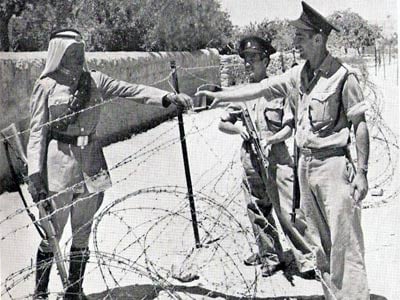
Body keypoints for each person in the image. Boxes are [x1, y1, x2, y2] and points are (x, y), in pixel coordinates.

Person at [197, 2, 370, 299]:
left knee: (345, 243)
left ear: (318, 38)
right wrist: (220, 96)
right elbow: (261, 89)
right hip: (305, 168)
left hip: (333, 168)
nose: (296, 44)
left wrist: (362, 173)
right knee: (321, 244)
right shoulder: (298, 75)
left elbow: (360, 124)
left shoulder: (343, 76)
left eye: (301, 38)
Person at [27, 28, 192, 300]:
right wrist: (35, 173)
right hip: (58, 167)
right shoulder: (46, 86)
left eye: (81, 52)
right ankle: (40, 293)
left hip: (92, 163)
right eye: (72, 53)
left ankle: (74, 291)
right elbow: (37, 132)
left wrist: (167, 98)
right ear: (59, 54)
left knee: (83, 233)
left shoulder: (95, 80)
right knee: (51, 235)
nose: (79, 57)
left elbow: (132, 90)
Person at [218, 36, 313, 277]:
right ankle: (270, 256)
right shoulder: (242, 93)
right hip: (251, 159)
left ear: (266, 60)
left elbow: (290, 127)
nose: (248, 64)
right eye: (245, 60)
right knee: (258, 210)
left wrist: (271, 139)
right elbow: (222, 124)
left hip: (278, 158)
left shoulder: (280, 88)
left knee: (289, 211)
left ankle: (307, 259)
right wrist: (238, 129)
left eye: (253, 59)